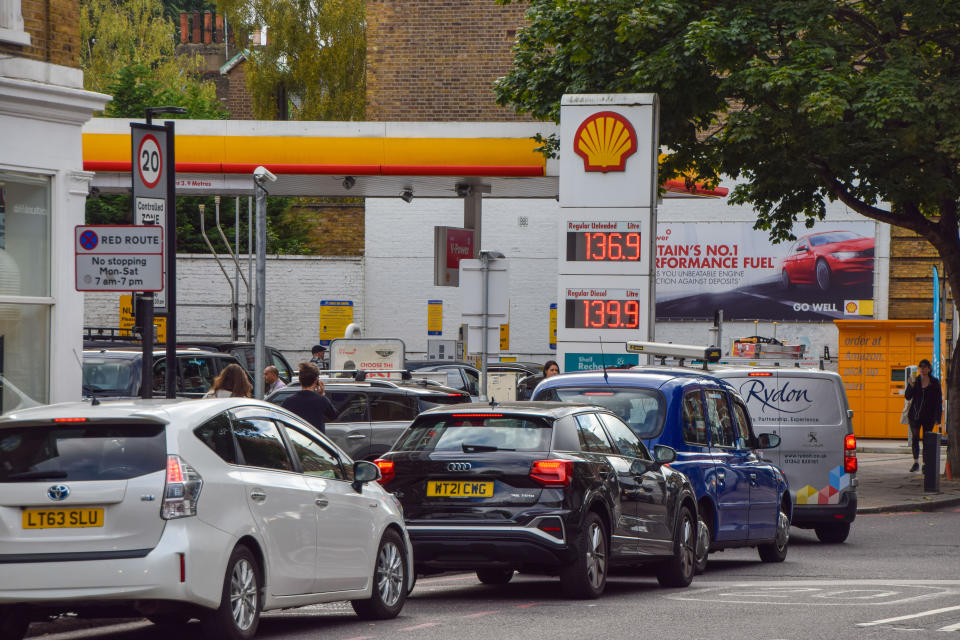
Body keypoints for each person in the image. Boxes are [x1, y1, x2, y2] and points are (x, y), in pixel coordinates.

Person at [904, 358, 942, 472]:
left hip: (928, 416)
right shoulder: (915, 381)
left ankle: (925, 463)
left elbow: (938, 400)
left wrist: (937, 417)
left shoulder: (934, 382)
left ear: (929, 369)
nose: (922, 369)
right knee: (915, 438)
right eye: (920, 367)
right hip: (914, 415)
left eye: (925, 367)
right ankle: (915, 462)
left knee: (927, 440)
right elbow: (908, 396)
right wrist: (910, 385)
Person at [282, 362, 337, 433]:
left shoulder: (288, 401)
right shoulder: (321, 400)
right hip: (316, 441)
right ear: (316, 380)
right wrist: (322, 394)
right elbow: (333, 416)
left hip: (296, 441)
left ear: (300, 379)